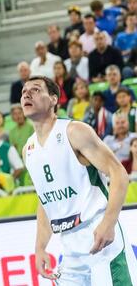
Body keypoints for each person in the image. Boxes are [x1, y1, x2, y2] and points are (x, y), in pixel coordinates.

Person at [21, 76, 137, 283]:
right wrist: (40, 247)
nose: (27, 94)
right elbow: (45, 201)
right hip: (69, 245)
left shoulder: (74, 131)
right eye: (24, 91)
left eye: (36, 90)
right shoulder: (28, 150)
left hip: (100, 235)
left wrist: (109, 223)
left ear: (54, 99)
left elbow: (119, 173)